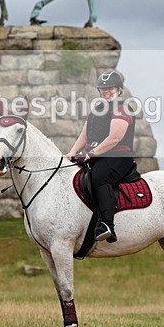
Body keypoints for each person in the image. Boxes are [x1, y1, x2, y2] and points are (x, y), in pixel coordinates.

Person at [65, 71, 136, 243]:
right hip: (96, 156)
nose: (106, 92)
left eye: (110, 88)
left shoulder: (122, 109)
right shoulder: (96, 110)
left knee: (99, 178)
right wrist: (72, 152)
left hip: (118, 157)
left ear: (119, 89)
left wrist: (92, 154)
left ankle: (107, 224)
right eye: (103, 89)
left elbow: (114, 138)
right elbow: (85, 135)